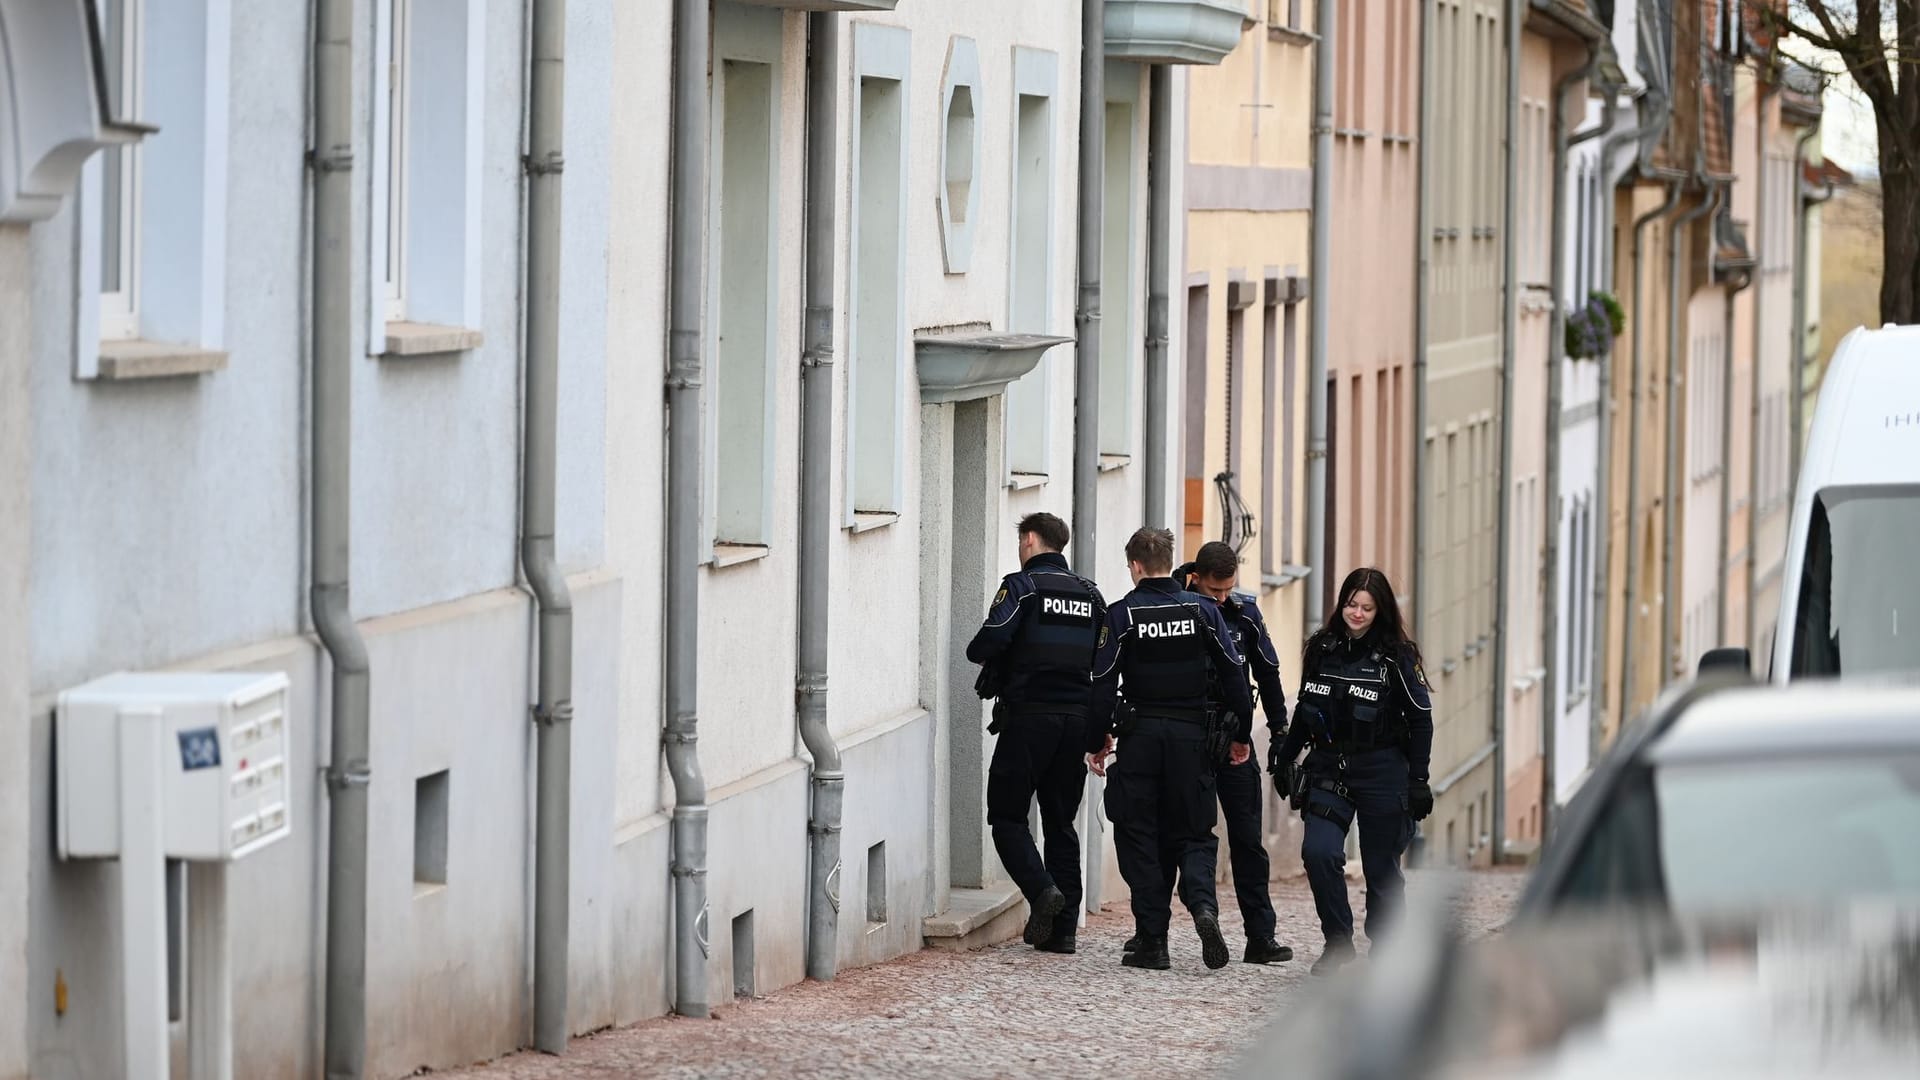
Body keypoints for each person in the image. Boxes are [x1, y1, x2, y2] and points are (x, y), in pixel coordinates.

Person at [1087, 527, 1254, 971]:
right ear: (1170, 561)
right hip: (1191, 738)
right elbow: (1235, 674)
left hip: (1141, 737)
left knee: (1138, 831)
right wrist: (1242, 735)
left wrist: (1097, 738)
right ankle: (1203, 907)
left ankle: (1153, 941)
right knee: (1195, 831)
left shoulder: (1122, 614)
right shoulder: (1202, 610)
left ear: (1136, 566)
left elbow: (1101, 683)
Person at [1271, 567, 1434, 976]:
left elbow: (1420, 721)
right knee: (1319, 852)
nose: (1356, 614)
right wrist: (1286, 758)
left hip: (1383, 770)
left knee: (1381, 868)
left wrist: (1418, 780)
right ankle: (1338, 941)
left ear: (1380, 611)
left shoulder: (1398, 658)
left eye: (1366, 607)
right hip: (1329, 766)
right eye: (1350, 605)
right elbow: (1307, 710)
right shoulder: (1322, 649)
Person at [967, 512, 1107, 953]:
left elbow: (989, 639)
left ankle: (1042, 890)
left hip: (1029, 718)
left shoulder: (1022, 586)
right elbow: (1105, 666)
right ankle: (1063, 931)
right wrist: (1099, 728)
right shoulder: (1091, 595)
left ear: (1029, 540)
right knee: (1061, 822)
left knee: (1007, 818)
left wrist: (987, 653)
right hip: (1077, 721)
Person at [1161, 541, 1294, 966]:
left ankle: (1261, 937)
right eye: (1213, 591)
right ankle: (1153, 934)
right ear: (1195, 577)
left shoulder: (1246, 614)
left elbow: (1269, 676)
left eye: (1227, 591)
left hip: (1235, 741)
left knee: (1248, 841)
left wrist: (1279, 731)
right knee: (1175, 837)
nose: (1220, 600)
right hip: (1187, 739)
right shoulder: (1174, 606)